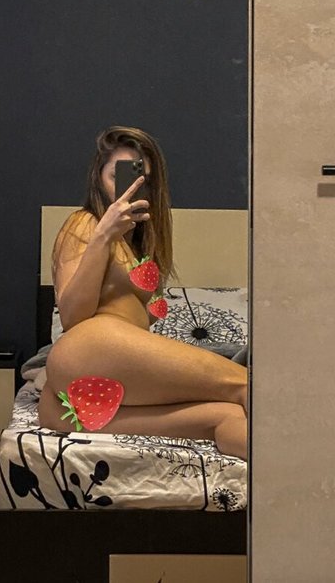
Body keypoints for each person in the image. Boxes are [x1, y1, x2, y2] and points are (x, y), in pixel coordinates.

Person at [38, 125, 248, 459]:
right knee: (247, 384)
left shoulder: (142, 244)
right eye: (117, 176)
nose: (131, 187)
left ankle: (298, 478)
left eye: (143, 179)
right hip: (90, 348)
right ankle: (323, 447)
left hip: (104, 376)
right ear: (98, 177)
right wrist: (103, 236)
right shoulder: (85, 223)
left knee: (226, 415)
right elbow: (73, 318)